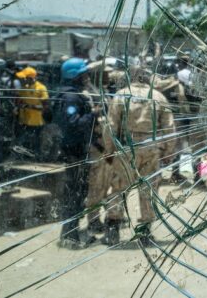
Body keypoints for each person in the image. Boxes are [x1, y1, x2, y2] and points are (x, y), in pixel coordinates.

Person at [99, 68, 176, 245]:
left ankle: (113, 230)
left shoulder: (120, 95)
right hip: (151, 148)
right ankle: (145, 233)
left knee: (118, 188)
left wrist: (109, 150)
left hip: (126, 148)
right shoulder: (158, 97)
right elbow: (169, 128)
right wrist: (167, 153)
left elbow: (110, 126)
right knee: (148, 190)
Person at [54, 58, 100, 249]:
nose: (86, 77)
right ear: (75, 76)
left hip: (77, 150)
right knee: (74, 194)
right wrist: (94, 114)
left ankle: (72, 232)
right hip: (74, 151)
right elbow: (73, 124)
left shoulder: (72, 94)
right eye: (84, 74)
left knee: (78, 193)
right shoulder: (71, 98)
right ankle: (70, 236)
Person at [15, 67, 49, 158]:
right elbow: (19, 102)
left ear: (30, 78)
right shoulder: (24, 88)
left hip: (36, 122)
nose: (22, 80)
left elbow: (45, 106)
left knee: (36, 142)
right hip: (24, 120)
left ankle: (36, 158)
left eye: (24, 78)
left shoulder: (41, 88)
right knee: (25, 143)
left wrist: (29, 107)